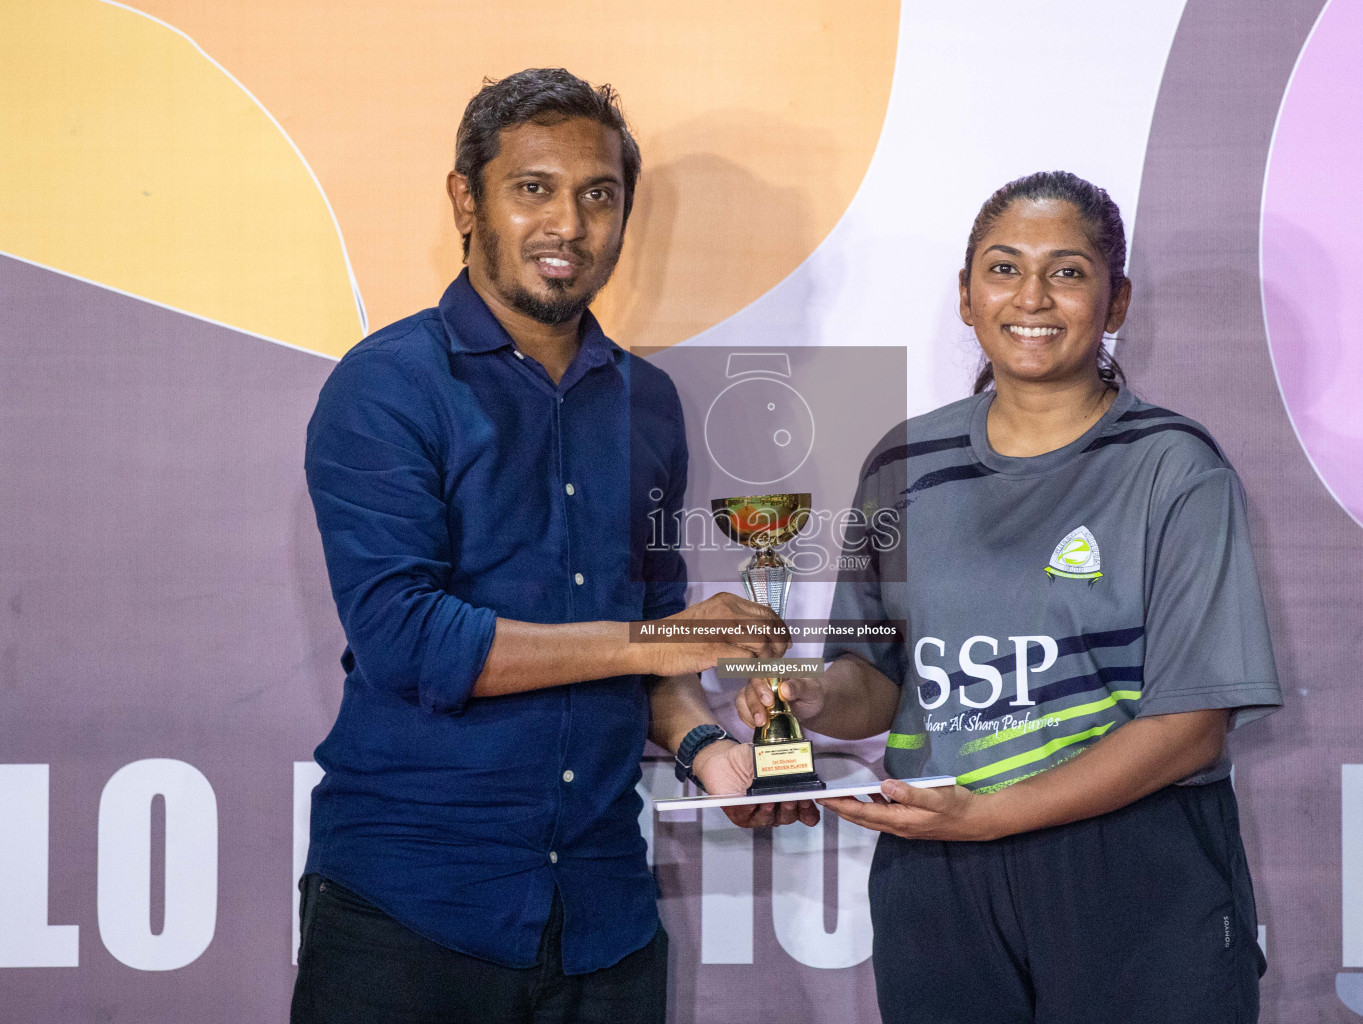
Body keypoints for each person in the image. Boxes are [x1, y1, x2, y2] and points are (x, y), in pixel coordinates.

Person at [293, 68, 812, 1024]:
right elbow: (409, 639)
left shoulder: (646, 402)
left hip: (604, 919)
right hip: (412, 913)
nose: (568, 224)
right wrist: (656, 642)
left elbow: (659, 644)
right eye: (533, 188)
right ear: (467, 198)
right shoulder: (387, 388)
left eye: (598, 195)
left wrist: (707, 749)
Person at [737, 171, 1283, 1023]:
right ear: (965, 296)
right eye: (1002, 268)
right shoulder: (903, 464)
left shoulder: (1174, 467)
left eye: (1067, 271)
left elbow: (1191, 724)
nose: (1032, 296)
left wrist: (994, 816)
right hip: (941, 877)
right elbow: (876, 681)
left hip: (1131, 868)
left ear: (1116, 300)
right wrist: (809, 696)